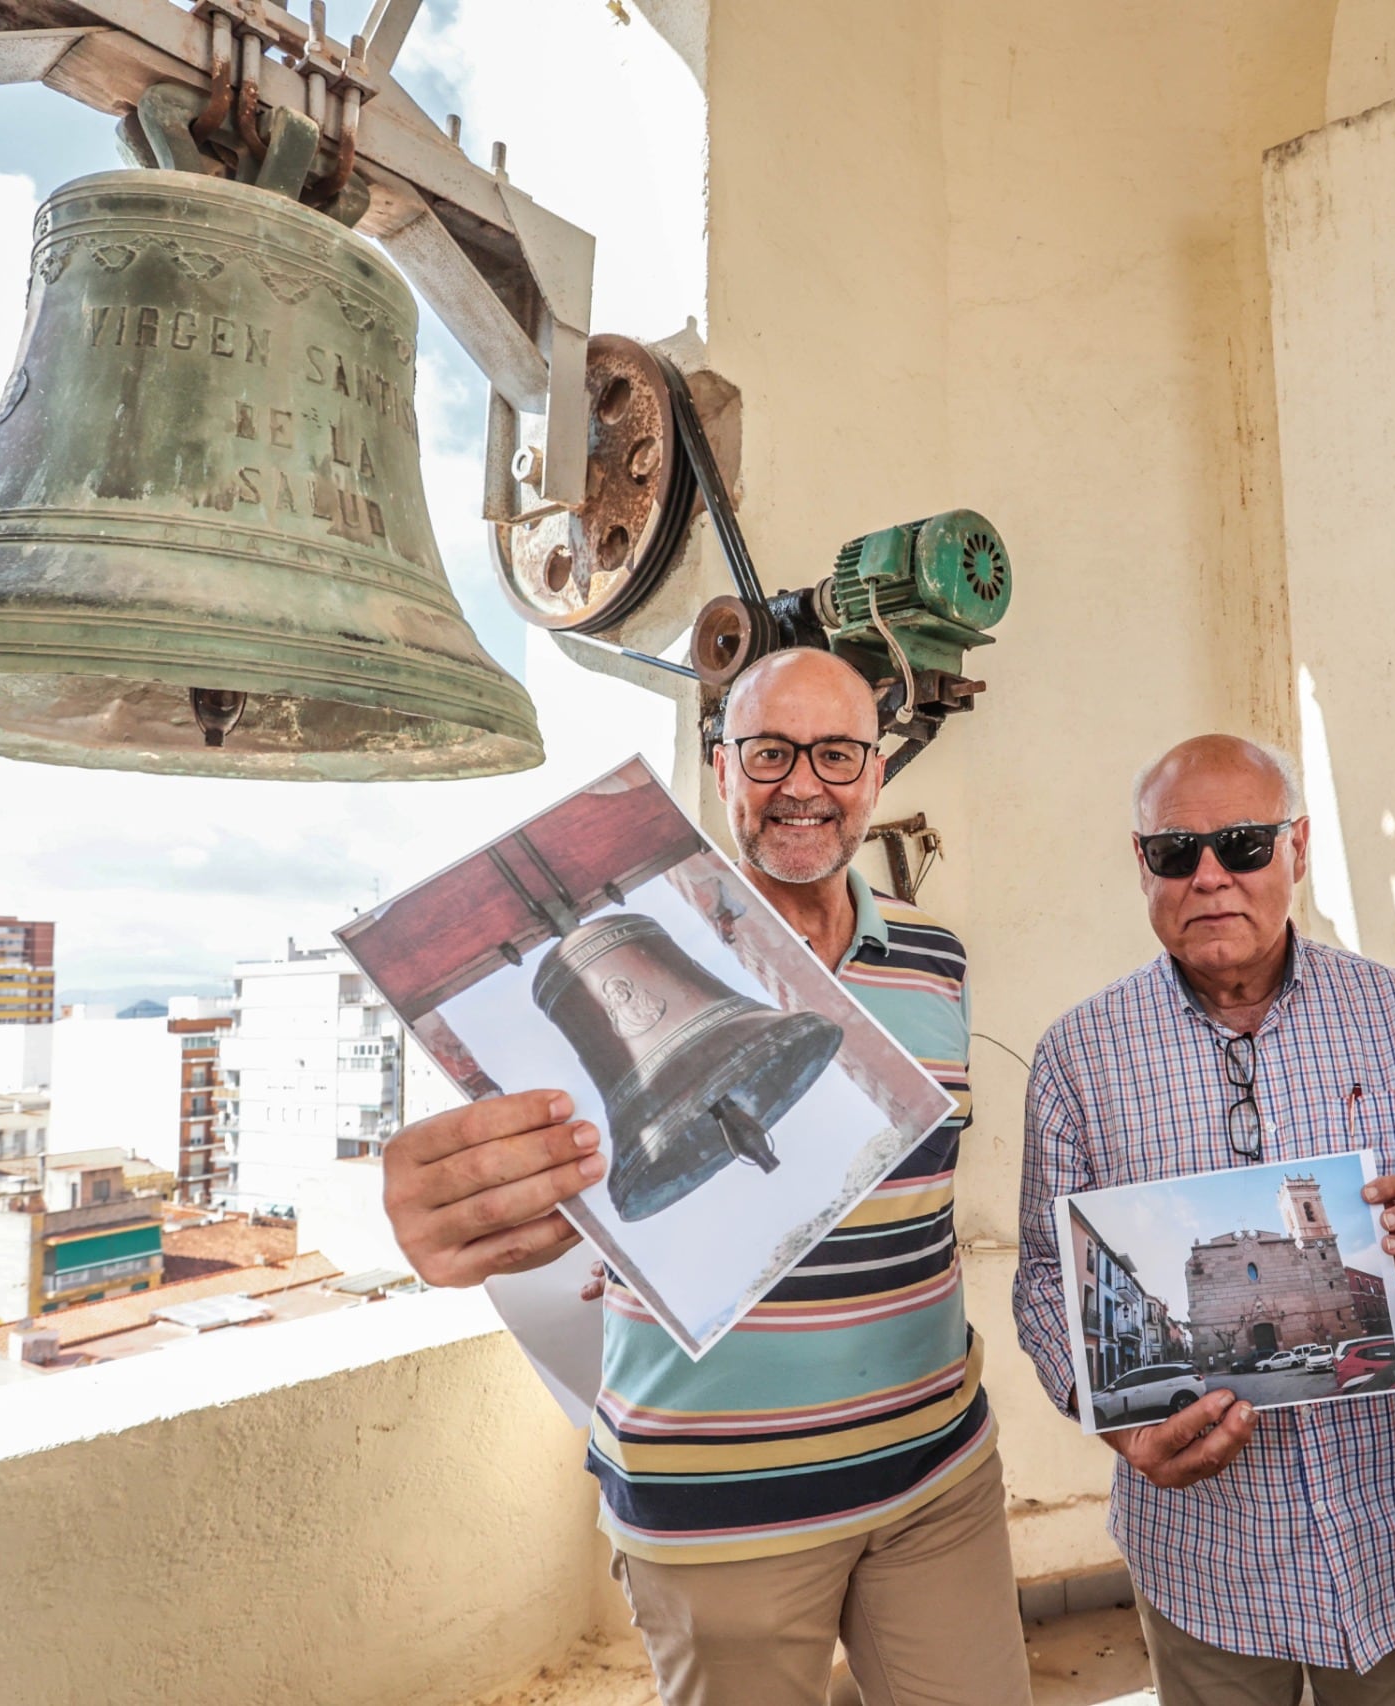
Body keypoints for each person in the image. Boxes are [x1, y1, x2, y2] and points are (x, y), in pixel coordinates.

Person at [380, 648, 1030, 1706]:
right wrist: (455, 1202)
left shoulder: (936, 959)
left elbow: (922, 1196)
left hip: (935, 1478)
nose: (804, 785)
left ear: (874, 774)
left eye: (836, 753)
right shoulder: (629, 955)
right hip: (719, 1507)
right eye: (769, 752)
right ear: (720, 767)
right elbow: (514, 1159)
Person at [1016, 733, 1395, 1705]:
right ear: (1138, 862)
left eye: (1241, 843)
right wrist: (1113, 1419)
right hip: (1205, 1549)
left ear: (1297, 849)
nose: (1208, 876)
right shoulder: (1078, 1058)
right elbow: (1044, 1280)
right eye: (1173, 851)